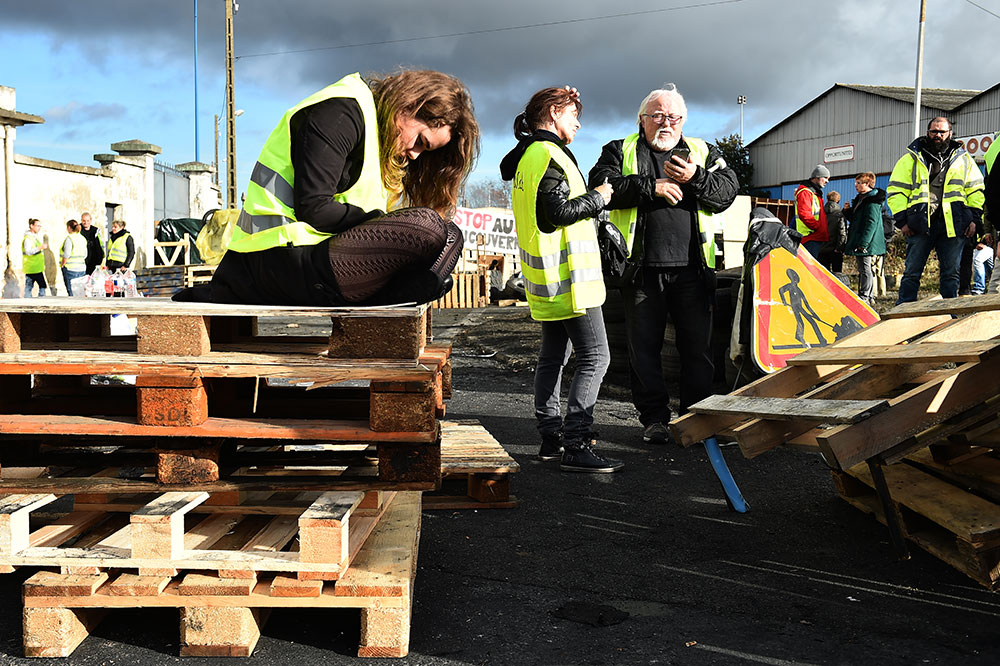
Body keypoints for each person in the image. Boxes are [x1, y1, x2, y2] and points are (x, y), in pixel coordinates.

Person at [175, 69, 480, 306]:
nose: (415, 154)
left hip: (317, 257)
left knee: (450, 233)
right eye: (421, 141)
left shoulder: (379, 133)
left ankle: (394, 295)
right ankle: (392, 295)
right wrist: (380, 222)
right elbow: (315, 208)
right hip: (274, 259)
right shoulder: (340, 112)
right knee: (426, 227)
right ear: (410, 105)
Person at [588, 84, 738, 445]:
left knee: (697, 349)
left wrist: (695, 178)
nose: (665, 122)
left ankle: (696, 419)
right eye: (657, 115)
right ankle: (654, 419)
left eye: (673, 116)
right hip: (640, 270)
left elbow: (727, 190)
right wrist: (649, 187)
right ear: (642, 120)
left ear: (683, 121)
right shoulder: (620, 149)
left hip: (693, 268)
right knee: (644, 349)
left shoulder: (701, 151)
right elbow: (599, 184)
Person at [500, 86, 623, 473]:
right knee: (596, 356)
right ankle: (576, 443)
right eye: (573, 113)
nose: (578, 122)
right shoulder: (547, 154)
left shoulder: (528, 155)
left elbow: (517, 175)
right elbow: (556, 211)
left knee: (554, 356)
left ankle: (552, 438)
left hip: (547, 279)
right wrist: (599, 198)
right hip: (571, 282)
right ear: (553, 113)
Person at [888, 117, 984, 303]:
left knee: (951, 274)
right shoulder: (911, 159)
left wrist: (974, 219)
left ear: (950, 133)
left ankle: (948, 314)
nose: (938, 135)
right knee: (912, 273)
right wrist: (902, 220)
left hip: (953, 224)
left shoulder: (964, 160)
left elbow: (976, 190)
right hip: (920, 224)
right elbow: (896, 190)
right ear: (927, 133)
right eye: (934, 131)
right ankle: (903, 312)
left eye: (942, 131)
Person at [843, 172, 887, 303]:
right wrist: (847, 211)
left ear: (867, 184)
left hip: (866, 241)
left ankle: (866, 295)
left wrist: (864, 243)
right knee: (863, 268)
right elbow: (857, 220)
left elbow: (871, 223)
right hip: (862, 239)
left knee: (865, 268)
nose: (856, 186)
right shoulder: (862, 199)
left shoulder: (872, 201)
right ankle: (868, 295)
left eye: (858, 183)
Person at [794, 165, 830, 260]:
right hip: (810, 237)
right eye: (825, 178)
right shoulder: (806, 192)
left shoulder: (814, 193)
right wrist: (817, 227)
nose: (827, 181)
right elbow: (804, 214)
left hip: (814, 236)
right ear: (817, 177)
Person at [61, 219, 87, 297]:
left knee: (72, 292)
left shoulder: (70, 238)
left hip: (71, 269)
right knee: (80, 292)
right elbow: (85, 254)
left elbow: (66, 254)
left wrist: (62, 264)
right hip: (82, 268)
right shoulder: (82, 238)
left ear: (69, 227)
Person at [22, 218, 48, 297]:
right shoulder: (28, 239)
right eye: (37, 226)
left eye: (40, 226)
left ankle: (31, 302)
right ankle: (36, 303)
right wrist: (40, 247)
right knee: (39, 286)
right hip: (32, 267)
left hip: (36, 267)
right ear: (31, 226)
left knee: (32, 287)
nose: (39, 228)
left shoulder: (34, 237)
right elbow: (28, 252)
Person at [821, 190, 846, 272]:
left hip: (822, 249)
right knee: (837, 275)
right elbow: (842, 233)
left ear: (827, 200)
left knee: (823, 276)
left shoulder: (821, 214)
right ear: (838, 201)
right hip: (835, 250)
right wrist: (840, 248)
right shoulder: (840, 215)